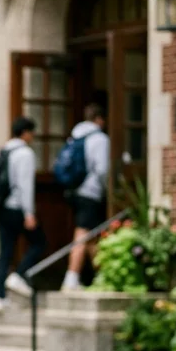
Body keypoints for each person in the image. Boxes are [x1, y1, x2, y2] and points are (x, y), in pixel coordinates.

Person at [0, 116, 45, 313]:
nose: (33, 136)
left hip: (1, 208)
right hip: (16, 208)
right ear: (26, 132)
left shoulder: (4, 150)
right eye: (32, 132)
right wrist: (29, 213)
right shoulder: (25, 153)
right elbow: (25, 185)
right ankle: (19, 276)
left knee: (5, 251)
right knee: (39, 242)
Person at [61, 103, 110, 290]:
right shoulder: (100, 138)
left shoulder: (75, 136)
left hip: (74, 191)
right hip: (91, 192)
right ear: (99, 119)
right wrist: (108, 190)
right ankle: (71, 278)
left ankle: (103, 276)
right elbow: (102, 169)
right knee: (82, 234)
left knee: (90, 235)